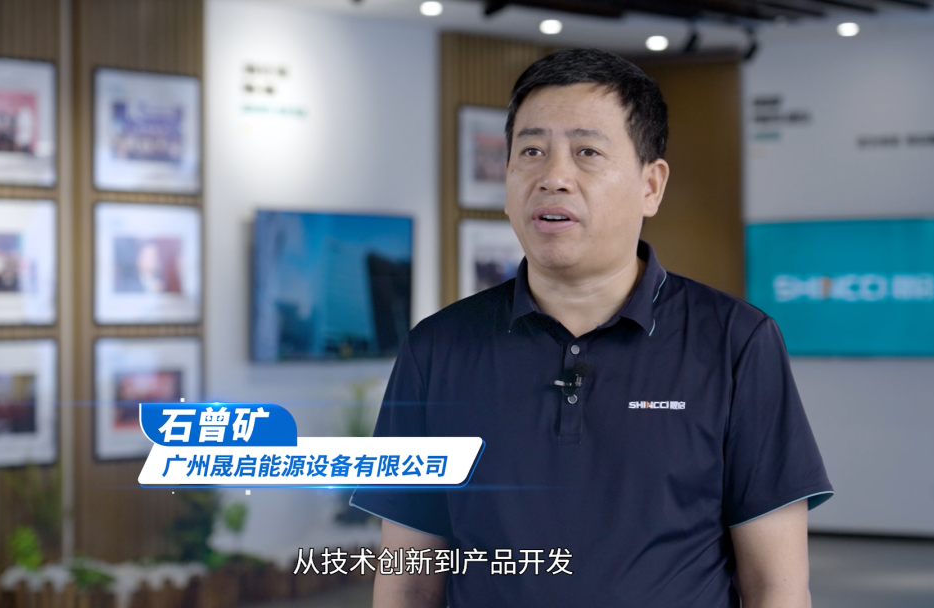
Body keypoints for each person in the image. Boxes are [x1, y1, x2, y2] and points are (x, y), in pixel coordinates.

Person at [349, 48, 832, 607]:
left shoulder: (735, 342)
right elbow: (408, 579)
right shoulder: (437, 349)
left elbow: (776, 586)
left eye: (587, 152)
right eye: (531, 151)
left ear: (651, 185)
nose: (553, 177)